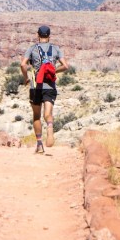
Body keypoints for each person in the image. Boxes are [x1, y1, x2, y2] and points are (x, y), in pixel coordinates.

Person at [20, 25, 68, 153]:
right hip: (50, 86)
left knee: (36, 116)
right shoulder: (56, 49)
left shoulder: (32, 49)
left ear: (38, 35)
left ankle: (40, 144)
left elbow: (23, 64)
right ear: (49, 36)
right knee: (48, 114)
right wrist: (53, 71)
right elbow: (65, 66)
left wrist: (26, 78)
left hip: (35, 87)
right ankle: (50, 127)